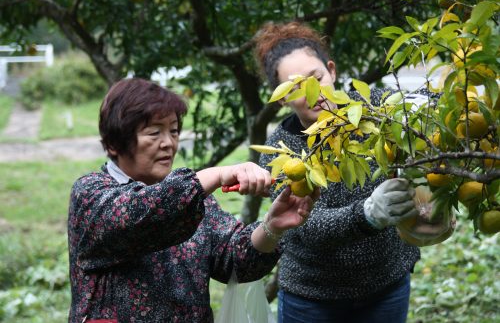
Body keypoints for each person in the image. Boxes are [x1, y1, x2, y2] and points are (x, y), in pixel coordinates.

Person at [67, 78, 317, 323]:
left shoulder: (192, 198)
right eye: (154, 133)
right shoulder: (91, 194)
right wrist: (217, 175)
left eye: (174, 131)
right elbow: (140, 215)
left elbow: (236, 260)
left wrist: (272, 226)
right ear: (113, 144)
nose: (168, 143)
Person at [254, 21, 441, 323]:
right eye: (297, 87)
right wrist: (367, 213)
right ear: (282, 96)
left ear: (331, 70)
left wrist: (425, 107)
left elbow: (434, 103)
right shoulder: (282, 152)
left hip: (386, 283)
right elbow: (307, 225)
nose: (313, 92)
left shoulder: (375, 108)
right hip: (312, 297)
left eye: (316, 78)